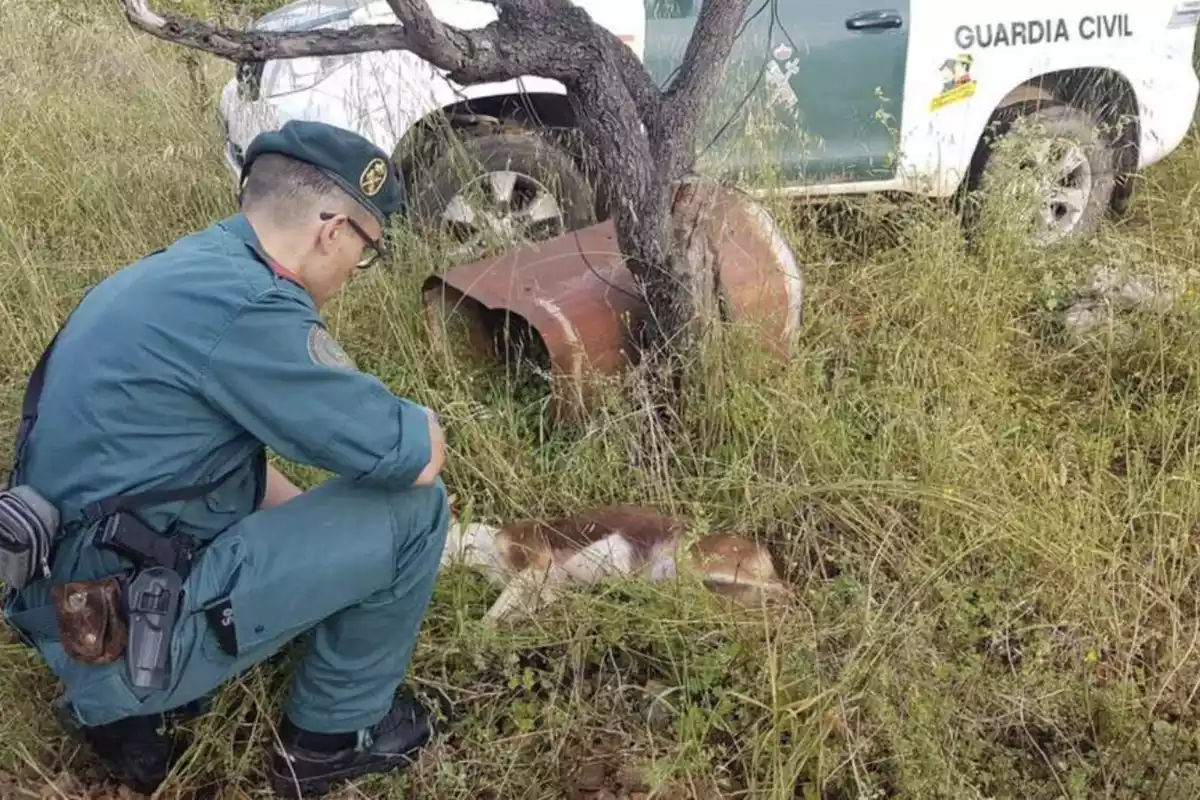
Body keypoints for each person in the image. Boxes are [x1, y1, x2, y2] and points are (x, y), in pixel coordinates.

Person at [1, 120, 452, 798]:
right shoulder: (251, 307)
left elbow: (216, 466)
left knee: (356, 525)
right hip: (127, 635)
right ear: (333, 231)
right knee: (417, 511)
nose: (355, 273)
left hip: (73, 615)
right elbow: (413, 457)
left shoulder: (180, 270)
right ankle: (331, 741)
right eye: (367, 252)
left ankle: (122, 705)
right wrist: (429, 422)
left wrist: (341, 563)